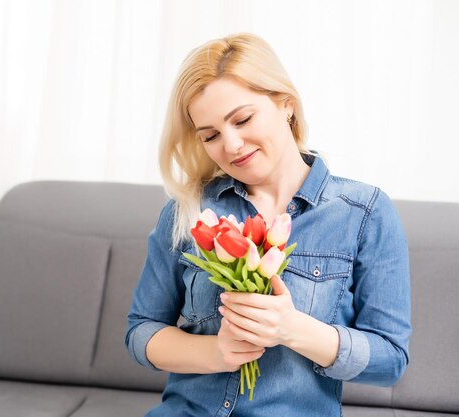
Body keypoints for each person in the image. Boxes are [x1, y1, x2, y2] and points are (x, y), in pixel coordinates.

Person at [125, 33, 411, 416]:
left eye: (242, 119)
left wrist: (292, 329)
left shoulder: (363, 213)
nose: (231, 145)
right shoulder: (190, 210)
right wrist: (214, 353)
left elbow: (390, 361)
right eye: (210, 135)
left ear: (286, 105)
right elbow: (141, 330)